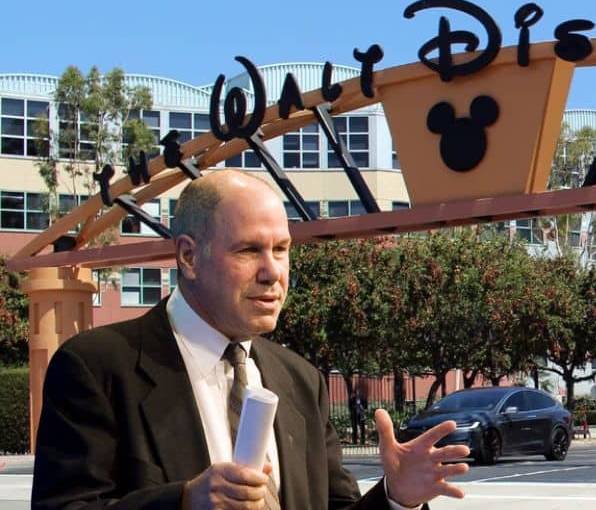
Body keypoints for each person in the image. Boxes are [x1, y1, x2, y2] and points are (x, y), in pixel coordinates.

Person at [32, 170, 470, 509]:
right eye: (248, 250)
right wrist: (183, 501)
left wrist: (397, 496)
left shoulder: (301, 381)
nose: (273, 272)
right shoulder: (98, 367)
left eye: (281, 250)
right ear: (188, 256)